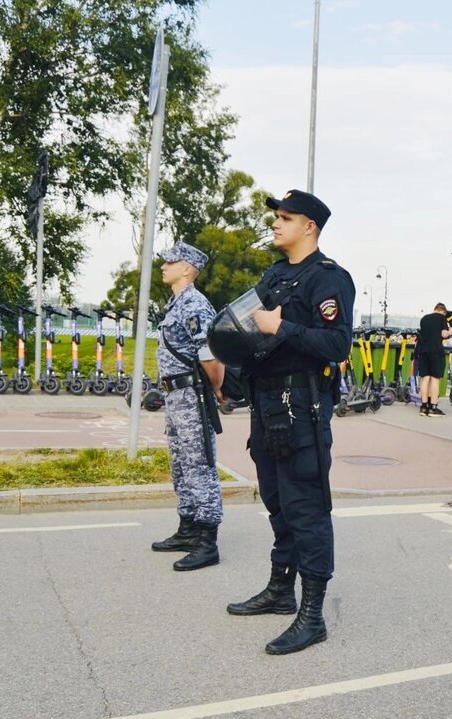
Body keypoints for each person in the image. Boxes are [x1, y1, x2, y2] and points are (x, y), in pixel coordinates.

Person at [224, 189, 355, 656]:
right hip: (266, 405)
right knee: (278, 505)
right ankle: (280, 590)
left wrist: (282, 328)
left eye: (286, 218)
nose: (276, 224)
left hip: (303, 407)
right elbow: (246, 331)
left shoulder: (329, 280)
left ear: (310, 227)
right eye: (276, 217)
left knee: (307, 510)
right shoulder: (275, 275)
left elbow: (337, 345)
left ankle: (312, 614)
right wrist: (232, 377)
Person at [149, 241, 225, 572]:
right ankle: (188, 528)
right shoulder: (175, 304)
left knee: (199, 465)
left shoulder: (195, 305)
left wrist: (216, 387)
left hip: (191, 397)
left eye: (171, 262)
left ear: (187, 269)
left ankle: (207, 542)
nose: (164, 266)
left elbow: (210, 356)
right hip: (175, 398)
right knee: (181, 465)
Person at [416, 301, 452, 416]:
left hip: (423, 351)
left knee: (425, 378)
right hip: (436, 351)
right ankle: (433, 407)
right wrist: (451, 331)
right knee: (435, 379)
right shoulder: (442, 318)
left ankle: (423, 406)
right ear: (443, 311)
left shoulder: (424, 319)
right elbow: (443, 334)